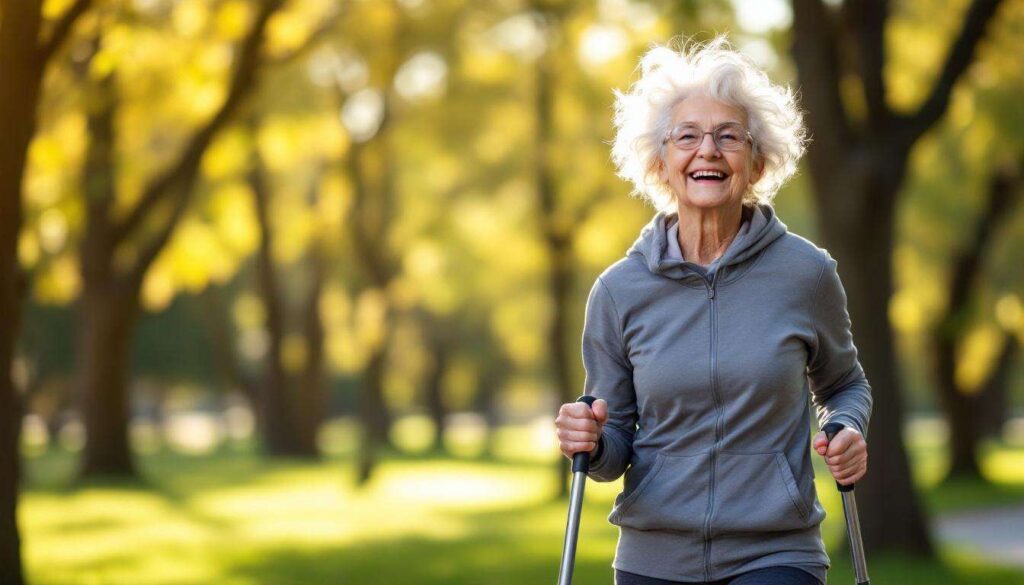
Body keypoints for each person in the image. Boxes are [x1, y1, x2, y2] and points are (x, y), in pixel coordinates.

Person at [554, 37, 872, 585]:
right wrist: (591, 440)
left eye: (728, 137)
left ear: (756, 163)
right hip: (653, 558)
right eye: (687, 137)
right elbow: (613, 448)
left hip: (776, 552)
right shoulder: (618, 291)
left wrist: (844, 426)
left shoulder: (806, 274)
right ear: (660, 164)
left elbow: (845, 383)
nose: (708, 150)